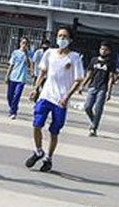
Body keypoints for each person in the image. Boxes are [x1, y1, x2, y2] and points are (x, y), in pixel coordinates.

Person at [25, 27, 84, 173]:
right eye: (59, 36)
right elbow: (42, 72)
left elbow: (78, 80)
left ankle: (48, 158)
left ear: (70, 40)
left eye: (64, 36)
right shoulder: (49, 53)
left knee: (54, 131)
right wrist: (35, 88)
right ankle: (38, 151)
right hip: (46, 95)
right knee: (36, 124)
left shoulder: (74, 57)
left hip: (61, 100)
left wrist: (67, 97)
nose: (61, 39)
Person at [84, 41, 118, 136]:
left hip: (102, 88)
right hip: (92, 86)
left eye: (105, 50)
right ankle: (94, 121)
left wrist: (109, 92)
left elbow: (111, 78)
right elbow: (89, 74)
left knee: (98, 109)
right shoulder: (94, 60)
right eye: (102, 49)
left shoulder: (111, 63)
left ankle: (93, 128)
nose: (103, 51)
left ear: (109, 51)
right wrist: (82, 85)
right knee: (87, 107)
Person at [5, 37, 33, 119]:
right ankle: (13, 108)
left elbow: (29, 64)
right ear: (20, 43)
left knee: (17, 95)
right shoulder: (15, 53)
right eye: (23, 43)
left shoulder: (29, 53)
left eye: (26, 43)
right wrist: (7, 76)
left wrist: (26, 55)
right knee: (9, 96)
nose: (24, 45)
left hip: (21, 78)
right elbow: (11, 65)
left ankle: (13, 112)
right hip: (13, 76)